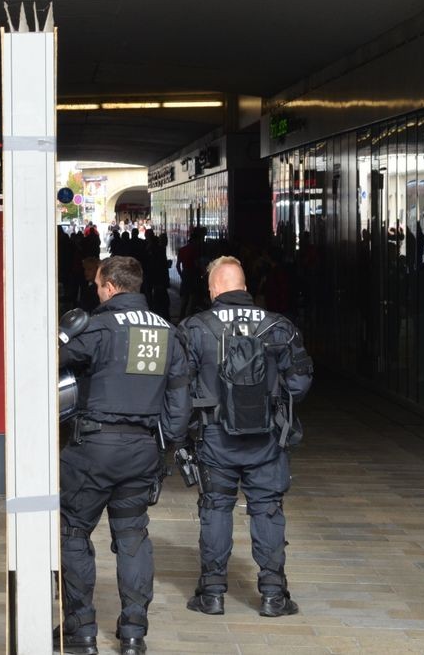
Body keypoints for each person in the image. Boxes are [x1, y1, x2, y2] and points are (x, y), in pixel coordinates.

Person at [57, 255, 191, 655]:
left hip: (92, 451)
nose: (97, 293)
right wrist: (167, 448)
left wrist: (62, 336)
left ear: (111, 286)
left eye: (99, 286)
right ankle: (133, 633)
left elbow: (48, 363)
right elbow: (179, 405)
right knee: (133, 537)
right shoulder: (169, 332)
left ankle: (81, 632)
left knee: (73, 533)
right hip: (143, 450)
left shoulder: (98, 327)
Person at [179, 256, 313, 619]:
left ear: (215, 288)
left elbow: (178, 386)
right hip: (266, 440)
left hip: (215, 438)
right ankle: (273, 595)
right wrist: (271, 405)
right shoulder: (278, 326)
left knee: (215, 510)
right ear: (244, 287)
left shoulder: (195, 327)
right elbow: (300, 381)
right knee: (267, 511)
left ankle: (212, 594)